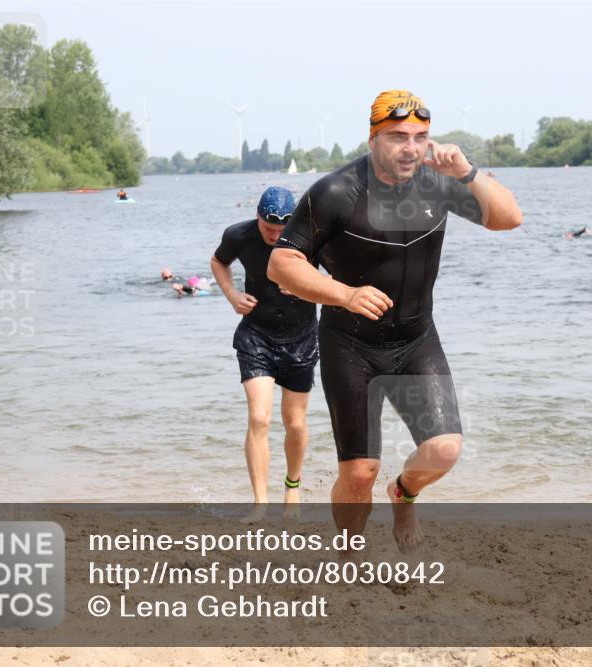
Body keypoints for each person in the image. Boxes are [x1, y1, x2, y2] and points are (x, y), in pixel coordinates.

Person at [267, 90, 522, 550]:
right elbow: (282, 264)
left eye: (421, 137)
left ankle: (403, 495)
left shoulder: (439, 181)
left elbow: (508, 219)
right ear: (373, 139)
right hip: (351, 346)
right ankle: (349, 553)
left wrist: (466, 171)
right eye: (398, 136)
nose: (411, 147)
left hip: (416, 339)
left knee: (444, 450)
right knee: (359, 472)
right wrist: (345, 293)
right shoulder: (336, 192)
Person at [211, 186, 318, 522]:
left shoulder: (310, 237)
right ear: (257, 216)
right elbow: (218, 262)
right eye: (268, 227)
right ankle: (259, 502)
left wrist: (306, 282)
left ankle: (292, 484)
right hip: (256, 335)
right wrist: (232, 295)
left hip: (301, 338)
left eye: (280, 229)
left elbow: (342, 276)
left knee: (296, 424)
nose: (274, 235)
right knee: (259, 418)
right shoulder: (239, 235)